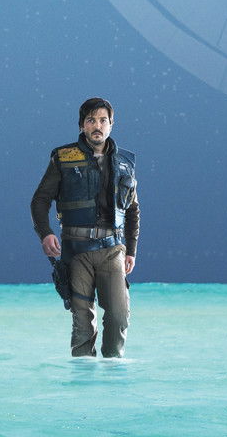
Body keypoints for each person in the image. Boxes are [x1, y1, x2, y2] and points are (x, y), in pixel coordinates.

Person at [30, 97, 140, 358]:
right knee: (82, 323)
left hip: (112, 249)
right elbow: (40, 200)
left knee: (119, 316)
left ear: (111, 124)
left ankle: (113, 373)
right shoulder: (62, 158)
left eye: (103, 120)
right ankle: (83, 379)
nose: (97, 126)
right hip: (76, 251)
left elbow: (133, 209)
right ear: (82, 125)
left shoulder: (125, 162)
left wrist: (131, 250)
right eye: (91, 120)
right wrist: (45, 233)